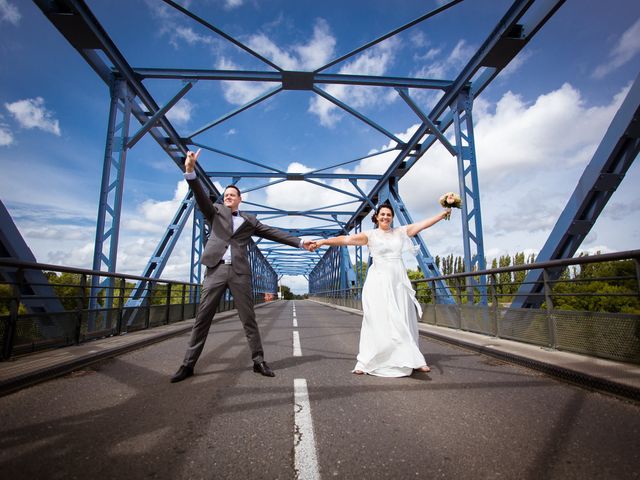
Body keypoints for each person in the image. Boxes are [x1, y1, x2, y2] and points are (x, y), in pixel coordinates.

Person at [171, 149, 314, 383]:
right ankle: (188, 364)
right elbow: (199, 194)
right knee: (202, 319)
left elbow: (273, 233)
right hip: (216, 270)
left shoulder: (250, 221)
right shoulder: (214, 212)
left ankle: (258, 361)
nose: (228, 197)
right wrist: (190, 171)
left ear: (240, 199)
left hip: (239, 273)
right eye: (225, 194)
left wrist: (300, 242)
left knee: (249, 319)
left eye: (232, 195)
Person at [311, 201, 452, 377]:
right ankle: (366, 361)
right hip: (378, 282)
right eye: (383, 214)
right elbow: (345, 240)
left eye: (389, 215)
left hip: (398, 281)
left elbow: (422, 224)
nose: (386, 217)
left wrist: (443, 213)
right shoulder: (369, 235)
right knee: (376, 320)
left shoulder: (401, 232)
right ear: (376, 217)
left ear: (392, 218)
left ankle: (414, 360)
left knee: (403, 317)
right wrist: (323, 241)